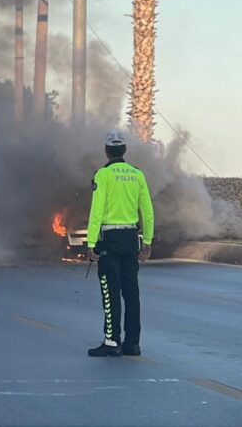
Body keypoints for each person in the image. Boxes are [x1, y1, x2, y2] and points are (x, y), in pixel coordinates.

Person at [86, 130, 154, 358]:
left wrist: (91, 242)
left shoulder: (103, 175)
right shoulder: (137, 174)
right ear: (124, 150)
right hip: (130, 240)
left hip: (109, 240)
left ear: (107, 151)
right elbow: (148, 211)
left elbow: (97, 211)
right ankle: (132, 344)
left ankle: (112, 342)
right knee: (131, 292)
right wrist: (147, 241)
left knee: (110, 291)